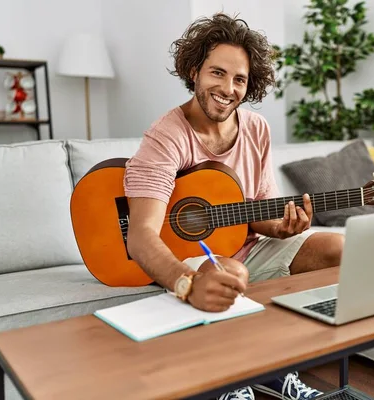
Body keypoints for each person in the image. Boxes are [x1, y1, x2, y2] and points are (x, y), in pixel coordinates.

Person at [124, 12, 344, 400]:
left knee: (335, 249)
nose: (228, 88)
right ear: (194, 72)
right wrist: (185, 283)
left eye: (239, 79)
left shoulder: (256, 129)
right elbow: (140, 236)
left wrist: (281, 227)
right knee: (232, 271)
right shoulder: (166, 136)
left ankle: (277, 364)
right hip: (188, 255)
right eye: (217, 73)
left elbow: (258, 209)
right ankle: (232, 379)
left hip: (244, 248)